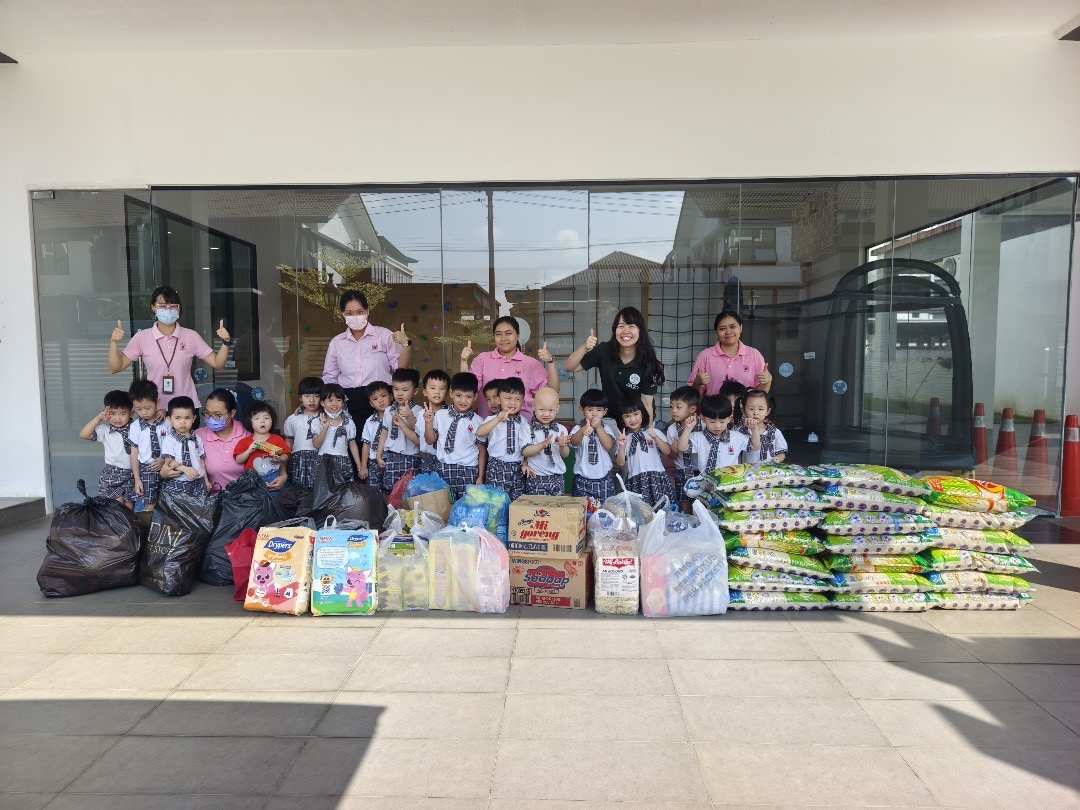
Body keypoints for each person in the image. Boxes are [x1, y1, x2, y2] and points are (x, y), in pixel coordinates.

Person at [108, 286, 232, 411]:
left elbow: (218, 364)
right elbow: (116, 367)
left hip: (186, 408)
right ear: (153, 307)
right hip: (154, 408)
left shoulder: (191, 336)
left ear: (178, 308)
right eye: (162, 305)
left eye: (172, 306)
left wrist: (225, 342)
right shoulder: (142, 337)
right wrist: (114, 342)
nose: (168, 309)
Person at [321, 290, 413, 425]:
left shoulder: (383, 335)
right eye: (349, 313)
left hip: (380, 399)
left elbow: (401, 370)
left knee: (382, 436)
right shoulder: (337, 342)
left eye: (360, 312)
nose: (355, 317)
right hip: (348, 402)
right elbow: (330, 378)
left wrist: (406, 344)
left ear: (367, 310)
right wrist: (313, 403)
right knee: (353, 436)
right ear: (343, 314)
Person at [564, 306, 665, 426]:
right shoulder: (604, 350)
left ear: (640, 331)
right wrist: (585, 347)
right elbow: (569, 367)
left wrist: (645, 431)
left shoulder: (648, 362)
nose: (625, 331)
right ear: (615, 330)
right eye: (621, 326)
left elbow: (646, 404)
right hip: (610, 419)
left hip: (635, 420)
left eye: (631, 326)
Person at [461, 316, 559, 421]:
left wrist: (550, 361)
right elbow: (466, 388)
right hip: (488, 426)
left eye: (508, 333)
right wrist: (463, 361)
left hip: (522, 427)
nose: (503, 338)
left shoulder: (531, 364)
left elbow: (553, 390)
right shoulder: (482, 359)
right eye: (498, 334)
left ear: (518, 335)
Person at [425, 372, 486, 500]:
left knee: (466, 505)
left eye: (468, 397)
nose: (463, 401)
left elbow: (481, 450)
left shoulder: (478, 421)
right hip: (443, 467)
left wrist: (480, 476)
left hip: (468, 470)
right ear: (451, 393)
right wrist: (428, 423)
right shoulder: (440, 415)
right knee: (444, 504)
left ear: (475, 396)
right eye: (458, 395)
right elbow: (430, 440)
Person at [688, 310, 772, 396]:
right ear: (716, 332)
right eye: (722, 328)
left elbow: (760, 395)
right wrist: (697, 382)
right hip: (714, 405)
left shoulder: (754, 355)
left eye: (732, 327)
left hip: (744, 405)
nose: (728, 332)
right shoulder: (705, 356)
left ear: (741, 328)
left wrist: (767, 381)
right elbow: (692, 396)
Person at [79, 390, 135, 508]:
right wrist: (99, 418)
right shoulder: (105, 431)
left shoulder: (136, 429)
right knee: (117, 507)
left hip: (132, 473)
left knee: (129, 508)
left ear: (131, 413)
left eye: (122, 414)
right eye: (113, 413)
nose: (117, 418)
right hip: (112, 474)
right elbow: (84, 434)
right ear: (106, 412)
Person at [475, 377, 528, 501]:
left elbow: (527, 445)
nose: (512, 403)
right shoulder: (492, 419)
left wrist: (525, 463)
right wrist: (498, 419)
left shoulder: (524, 422)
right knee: (496, 502)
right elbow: (480, 432)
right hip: (497, 467)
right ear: (499, 400)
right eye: (508, 398)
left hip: (517, 468)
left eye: (517, 399)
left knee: (517, 501)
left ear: (523, 401)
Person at [187, 388, 250, 490]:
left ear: (232, 413)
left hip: (246, 496)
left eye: (218, 415)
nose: (211, 418)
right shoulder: (198, 436)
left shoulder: (247, 433)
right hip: (213, 497)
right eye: (207, 413)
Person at [616, 398, 673, 507]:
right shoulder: (625, 438)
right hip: (636, 479)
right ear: (622, 420)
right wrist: (622, 446)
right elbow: (620, 463)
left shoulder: (654, 432)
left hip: (656, 476)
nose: (633, 419)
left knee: (662, 509)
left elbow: (667, 451)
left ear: (642, 414)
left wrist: (655, 437)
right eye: (627, 416)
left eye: (636, 414)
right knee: (642, 511)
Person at [375, 368, 424, 491]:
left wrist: (409, 416)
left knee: (410, 491)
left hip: (411, 457)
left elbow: (417, 432)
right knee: (390, 489)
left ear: (415, 391)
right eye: (396, 389)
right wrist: (379, 454)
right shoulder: (388, 410)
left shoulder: (419, 411)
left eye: (405, 390)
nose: (399, 393)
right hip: (391, 456)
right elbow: (384, 433)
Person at [678, 394, 749, 474]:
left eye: (722, 422)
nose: (717, 426)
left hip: (730, 479)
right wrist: (688, 428)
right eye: (712, 422)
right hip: (706, 478)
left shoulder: (736, 437)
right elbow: (682, 448)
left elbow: (755, 446)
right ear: (703, 418)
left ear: (729, 418)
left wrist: (754, 429)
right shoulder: (698, 437)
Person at [569, 389, 618, 502]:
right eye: (590, 410)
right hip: (582, 479)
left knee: (604, 509)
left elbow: (609, 446)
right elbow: (573, 442)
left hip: (604, 479)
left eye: (599, 410)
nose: (594, 414)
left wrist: (599, 428)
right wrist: (582, 431)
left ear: (604, 411)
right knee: (582, 508)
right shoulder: (578, 428)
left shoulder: (606, 428)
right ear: (582, 410)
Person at [128, 379, 169, 511]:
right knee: (149, 505)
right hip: (146, 470)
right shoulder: (135, 427)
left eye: (147, 408)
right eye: (138, 409)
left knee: (168, 503)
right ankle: (150, 525)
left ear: (157, 401)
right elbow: (134, 453)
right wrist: (137, 478)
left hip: (167, 467)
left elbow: (174, 447)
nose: (143, 412)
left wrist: (164, 460)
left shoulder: (167, 423)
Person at [522, 386, 570, 496]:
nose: (546, 414)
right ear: (533, 407)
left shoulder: (561, 429)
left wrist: (563, 446)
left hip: (557, 477)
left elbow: (565, 454)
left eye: (551, 410)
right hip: (536, 477)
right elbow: (525, 451)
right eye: (542, 409)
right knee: (536, 506)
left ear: (557, 409)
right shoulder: (527, 428)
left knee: (557, 506)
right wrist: (542, 445)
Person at [159, 396, 210, 495]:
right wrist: (185, 469)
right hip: (178, 483)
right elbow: (169, 461)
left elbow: (201, 461)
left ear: (194, 418)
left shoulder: (197, 438)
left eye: (187, 418)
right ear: (169, 419)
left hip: (198, 482)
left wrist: (206, 480)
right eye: (177, 418)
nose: (183, 422)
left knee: (199, 505)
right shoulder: (169, 440)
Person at [234, 402, 290, 492]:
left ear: (272, 420)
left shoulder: (278, 439)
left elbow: (285, 455)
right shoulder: (244, 441)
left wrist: (281, 458)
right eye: (257, 418)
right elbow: (238, 460)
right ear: (250, 422)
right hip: (254, 482)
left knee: (276, 498)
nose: (262, 421)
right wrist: (248, 451)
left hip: (275, 478)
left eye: (266, 418)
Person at [282, 376, 324, 491]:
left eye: (316, 396)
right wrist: (284, 463)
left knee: (319, 491)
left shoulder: (326, 417)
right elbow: (288, 442)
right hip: (298, 461)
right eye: (307, 396)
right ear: (300, 398)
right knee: (298, 492)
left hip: (320, 459)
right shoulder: (293, 419)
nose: (312, 400)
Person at [665, 385, 703, 508]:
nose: (674, 410)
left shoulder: (704, 425)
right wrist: (673, 449)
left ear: (692, 409)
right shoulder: (672, 429)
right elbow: (672, 456)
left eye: (678, 407)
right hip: (682, 471)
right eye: (671, 407)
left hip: (702, 471)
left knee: (702, 505)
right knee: (684, 505)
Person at [313, 383, 360, 481]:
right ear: (322, 403)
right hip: (324, 461)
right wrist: (325, 428)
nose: (334, 403)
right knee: (324, 489)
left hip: (343, 461)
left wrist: (359, 465)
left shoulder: (348, 422)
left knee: (345, 489)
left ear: (343, 402)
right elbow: (316, 444)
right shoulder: (317, 421)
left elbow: (352, 444)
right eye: (330, 400)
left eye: (338, 400)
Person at [359, 381, 392, 492]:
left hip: (391, 459)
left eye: (383, 396)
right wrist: (364, 466)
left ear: (391, 397)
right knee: (373, 491)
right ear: (371, 403)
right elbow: (366, 444)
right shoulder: (369, 421)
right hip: (373, 462)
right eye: (375, 398)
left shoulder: (396, 418)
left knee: (391, 490)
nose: (380, 400)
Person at [739, 389, 788, 463]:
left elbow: (781, 453)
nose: (756, 412)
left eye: (760, 409)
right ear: (743, 410)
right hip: (748, 469)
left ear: (767, 411)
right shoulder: (741, 431)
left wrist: (778, 458)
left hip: (769, 469)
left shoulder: (774, 432)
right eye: (751, 409)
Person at [419, 369, 451, 474]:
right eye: (433, 388)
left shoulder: (450, 414)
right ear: (425, 391)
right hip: (427, 457)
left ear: (448, 393)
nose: (437, 392)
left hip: (445, 458)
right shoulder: (421, 413)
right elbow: (418, 437)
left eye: (442, 389)